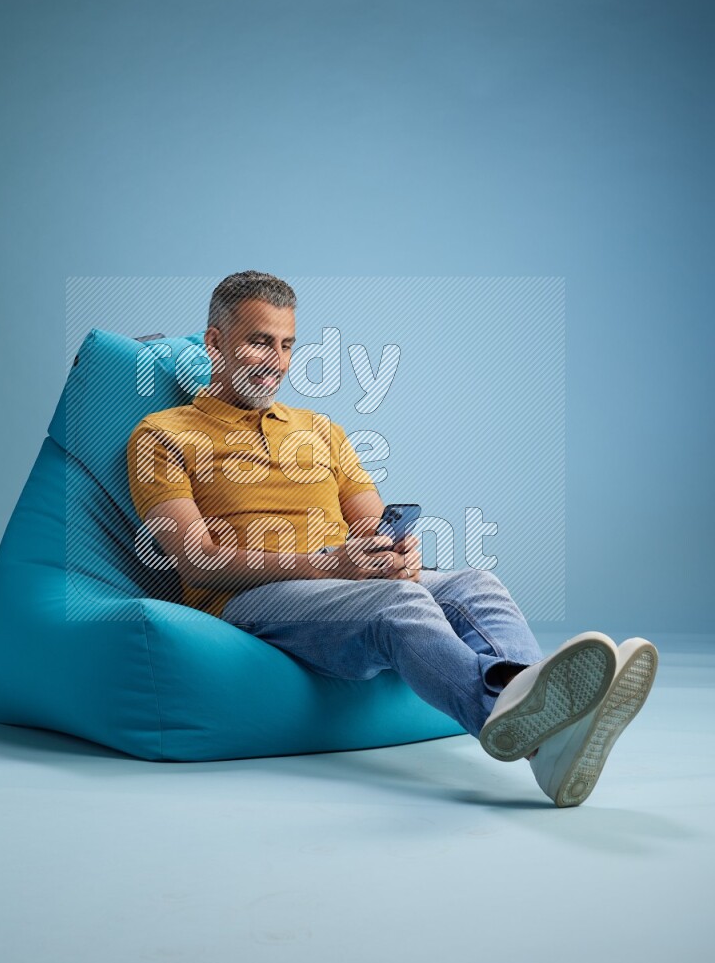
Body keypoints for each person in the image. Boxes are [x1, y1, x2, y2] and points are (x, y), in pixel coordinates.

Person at [126, 270, 659, 807]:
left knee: (477, 583)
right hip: (249, 599)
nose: (277, 362)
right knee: (398, 603)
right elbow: (197, 562)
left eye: (287, 345)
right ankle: (534, 724)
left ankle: (544, 726)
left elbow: (370, 524)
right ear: (215, 342)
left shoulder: (320, 429)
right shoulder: (162, 434)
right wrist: (328, 565)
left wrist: (394, 554)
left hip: (343, 581)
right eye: (260, 342)